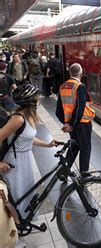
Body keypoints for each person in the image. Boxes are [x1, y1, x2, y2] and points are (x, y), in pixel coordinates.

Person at [0, 84, 58, 218]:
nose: (39, 100)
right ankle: (13, 225)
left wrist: (48, 145)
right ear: (31, 102)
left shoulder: (28, 117)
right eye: (37, 98)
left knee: (26, 193)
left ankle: (22, 221)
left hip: (25, 160)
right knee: (16, 195)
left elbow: (28, 138)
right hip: (13, 163)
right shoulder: (18, 119)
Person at [55, 63, 95, 174]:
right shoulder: (80, 86)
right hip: (82, 123)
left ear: (70, 73)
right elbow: (80, 108)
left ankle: (63, 172)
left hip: (71, 125)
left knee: (74, 147)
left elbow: (58, 111)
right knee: (85, 147)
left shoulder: (62, 86)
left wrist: (67, 123)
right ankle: (84, 172)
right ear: (81, 74)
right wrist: (72, 124)